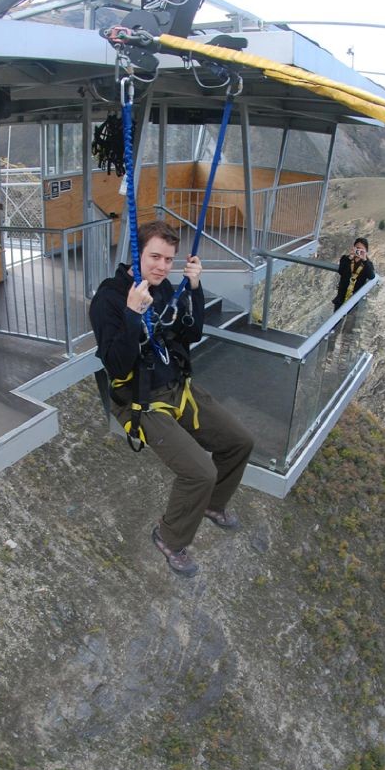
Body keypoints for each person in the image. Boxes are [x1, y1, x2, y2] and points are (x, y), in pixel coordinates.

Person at [90, 220, 254, 577]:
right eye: (155, 257)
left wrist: (194, 286)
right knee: (200, 472)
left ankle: (212, 505)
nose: (163, 266)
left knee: (240, 442)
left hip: (176, 387)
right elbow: (115, 365)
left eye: (169, 259)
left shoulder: (163, 289)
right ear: (137, 254)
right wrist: (133, 314)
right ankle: (169, 537)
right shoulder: (110, 298)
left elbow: (191, 333)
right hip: (140, 399)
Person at [332, 237, 375, 312]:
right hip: (341, 296)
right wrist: (350, 256)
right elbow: (341, 271)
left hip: (354, 300)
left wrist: (364, 259)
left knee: (349, 321)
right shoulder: (346, 259)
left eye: (362, 250)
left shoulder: (367, 264)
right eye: (357, 248)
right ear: (354, 248)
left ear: (366, 251)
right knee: (336, 319)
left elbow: (371, 276)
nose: (359, 251)